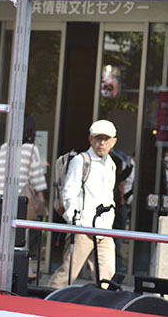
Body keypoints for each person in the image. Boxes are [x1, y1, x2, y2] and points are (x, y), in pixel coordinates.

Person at [49, 119, 118, 289]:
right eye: (98, 138)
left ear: (113, 141)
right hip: (83, 228)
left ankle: (102, 304)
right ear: (91, 139)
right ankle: (47, 299)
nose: (102, 143)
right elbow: (69, 192)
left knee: (107, 276)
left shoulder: (111, 164)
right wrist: (76, 221)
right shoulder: (81, 160)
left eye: (106, 139)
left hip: (104, 229)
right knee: (68, 273)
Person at [0, 114, 48, 276]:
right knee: (20, 237)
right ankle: (22, 271)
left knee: (4, 237)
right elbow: (37, 178)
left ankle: (3, 271)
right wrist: (42, 203)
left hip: (0, 199)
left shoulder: (4, 147)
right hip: (19, 201)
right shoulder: (31, 149)